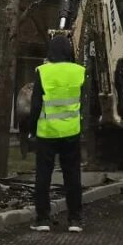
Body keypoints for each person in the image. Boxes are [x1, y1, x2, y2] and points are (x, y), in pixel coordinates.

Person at [27, 35, 86, 233]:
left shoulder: (43, 72)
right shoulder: (79, 72)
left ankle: (42, 218)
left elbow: (35, 105)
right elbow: (82, 102)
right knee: (72, 176)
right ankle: (75, 219)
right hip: (71, 131)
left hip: (47, 132)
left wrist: (31, 130)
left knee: (44, 176)